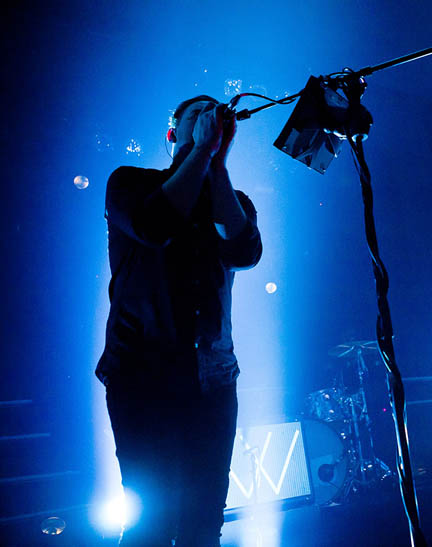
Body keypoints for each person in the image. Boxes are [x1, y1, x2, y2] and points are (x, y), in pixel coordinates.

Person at [96, 94, 262, 546]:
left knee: (204, 521)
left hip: (212, 380)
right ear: (173, 132)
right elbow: (155, 225)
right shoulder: (129, 184)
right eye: (197, 115)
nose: (210, 118)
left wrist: (218, 165)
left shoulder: (232, 198)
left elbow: (244, 249)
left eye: (215, 114)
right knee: (151, 521)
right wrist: (203, 154)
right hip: (142, 377)